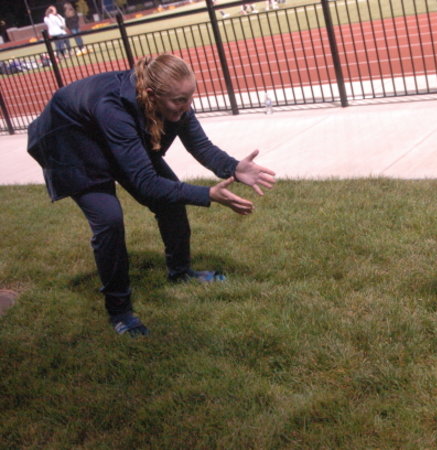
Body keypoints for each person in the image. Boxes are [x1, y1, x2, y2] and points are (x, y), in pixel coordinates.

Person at [27, 54, 276, 337]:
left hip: (111, 131)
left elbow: (201, 146)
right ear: (151, 94)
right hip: (72, 141)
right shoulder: (112, 108)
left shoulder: (174, 102)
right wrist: (208, 194)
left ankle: (180, 273)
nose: (187, 106)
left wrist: (234, 167)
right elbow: (146, 183)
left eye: (190, 97)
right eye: (179, 100)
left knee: (171, 199)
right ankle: (119, 310)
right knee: (109, 220)